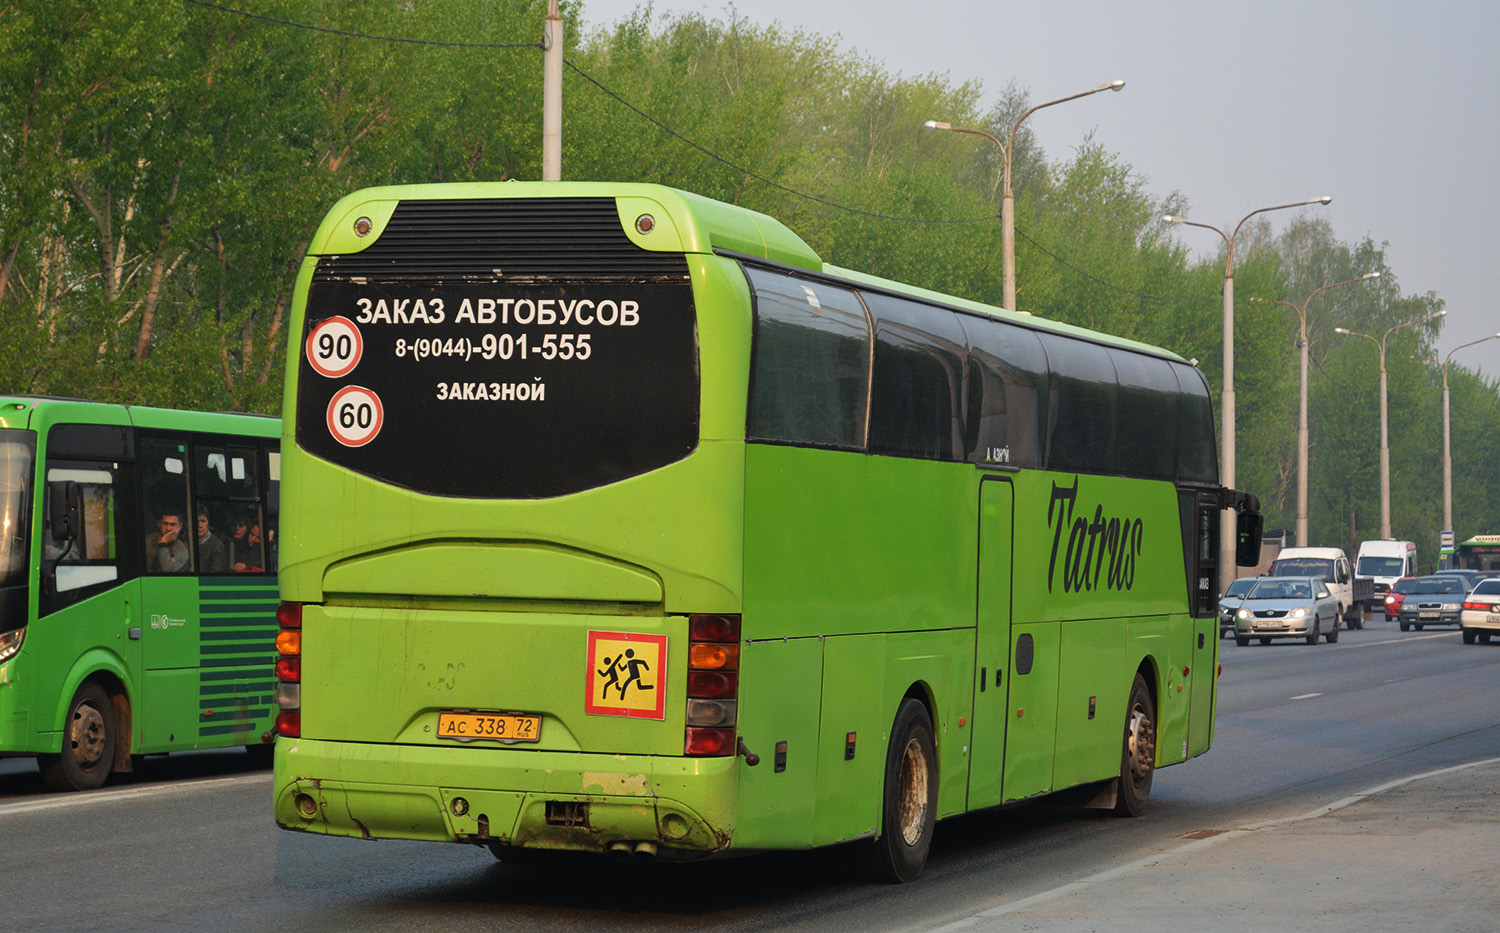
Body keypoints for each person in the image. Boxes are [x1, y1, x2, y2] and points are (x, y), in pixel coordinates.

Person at [197, 505, 229, 573]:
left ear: (208, 524)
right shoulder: (183, 541)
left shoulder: (216, 545)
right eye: (196, 521)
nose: (199, 525)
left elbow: (216, 574)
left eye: (203, 521)